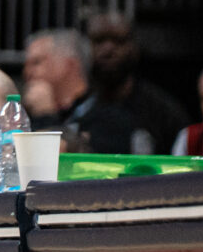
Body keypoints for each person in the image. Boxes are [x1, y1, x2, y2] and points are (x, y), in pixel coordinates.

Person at [59, 9, 189, 155]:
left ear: (134, 47)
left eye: (118, 41)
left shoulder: (164, 114)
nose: (108, 49)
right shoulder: (73, 110)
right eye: (98, 41)